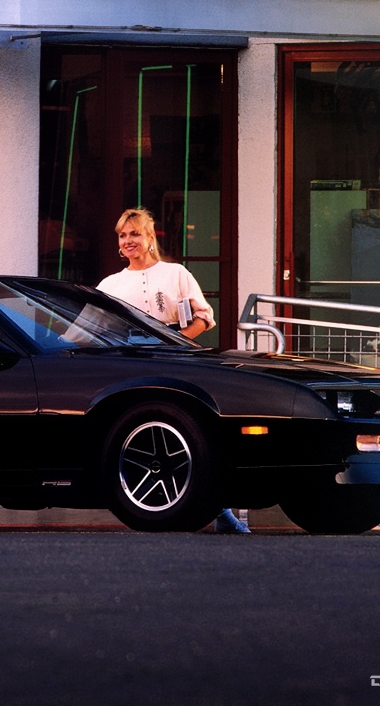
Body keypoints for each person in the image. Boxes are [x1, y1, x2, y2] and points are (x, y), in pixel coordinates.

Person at [97, 207, 250, 534]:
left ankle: (223, 513)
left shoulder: (176, 274)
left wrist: (174, 342)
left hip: (176, 359)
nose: (128, 241)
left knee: (195, 435)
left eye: (135, 234)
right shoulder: (110, 284)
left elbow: (203, 317)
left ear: (150, 237)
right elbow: (93, 326)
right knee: (148, 437)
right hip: (130, 363)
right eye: (123, 236)